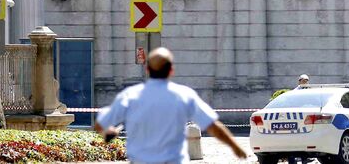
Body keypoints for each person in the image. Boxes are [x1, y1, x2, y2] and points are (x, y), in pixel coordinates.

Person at [95, 47, 246, 164]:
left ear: (147, 70)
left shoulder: (130, 95)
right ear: (171, 71)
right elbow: (213, 126)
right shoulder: (184, 95)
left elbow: (100, 125)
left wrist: (110, 132)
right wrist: (235, 147)